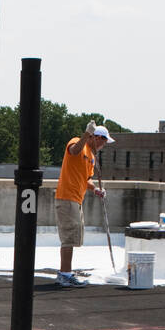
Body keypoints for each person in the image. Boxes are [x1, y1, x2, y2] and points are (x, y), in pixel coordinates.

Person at [53, 122, 113, 286]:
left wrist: (95, 190)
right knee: (69, 237)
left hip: (76, 199)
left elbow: (87, 179)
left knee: (73, 238)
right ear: (97, 137)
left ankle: (66, 273)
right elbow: (73, 151)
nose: (103, 145)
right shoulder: (77, 142)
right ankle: (64, 274)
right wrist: (86, 134)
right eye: (103, 141)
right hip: (66, 197)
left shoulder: (92, 157)